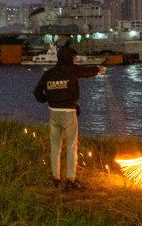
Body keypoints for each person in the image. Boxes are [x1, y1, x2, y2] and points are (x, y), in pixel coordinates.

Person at [33, 45, 105, 190]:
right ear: (69, 58)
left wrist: (46, 99)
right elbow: (86, 71)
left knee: (55, 146)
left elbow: (37, 92)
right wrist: (98, 69)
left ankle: (56, 177)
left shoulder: (48, 74)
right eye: (73, 57)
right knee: (71, 147)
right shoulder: (72, 70)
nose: (74, 59)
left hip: (53, 113)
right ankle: (71, 180)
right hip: (68, 114)